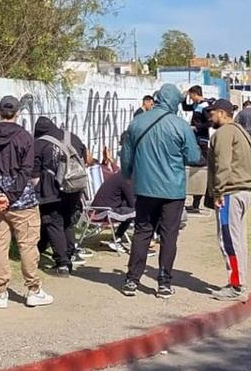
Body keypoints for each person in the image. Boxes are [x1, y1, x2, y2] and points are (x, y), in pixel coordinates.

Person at [120, 83, 202, 299]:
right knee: (169, 235)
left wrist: (128, 175)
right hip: (172, 191)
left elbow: (126, 156)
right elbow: (193, 157)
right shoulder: (180, 125)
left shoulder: (137, 122)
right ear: (174, 101)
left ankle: (132, 280)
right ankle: (164, 282)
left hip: (145, 188)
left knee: (142, 233)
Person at [0, 95, 53, 308]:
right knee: (27, 245)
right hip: (22, 202)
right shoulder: (25, 137)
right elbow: (26, 171)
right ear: (17, 113)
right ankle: (33, 290)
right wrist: (9, 196)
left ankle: (0, 293)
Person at [204, 100, 251, 302]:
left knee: (228, 241)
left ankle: (236, 286)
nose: (210, 117)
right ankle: (239, 280)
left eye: (213, 113)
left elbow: (223, 166)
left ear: (223, 113)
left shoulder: (224, 133)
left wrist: (217, 193)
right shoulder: (241, 131)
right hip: (243, 191)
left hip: (229, 194)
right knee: (238, 240)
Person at [34, 116, 86, 277]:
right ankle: (70, 254)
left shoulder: (39, 144)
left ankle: (62, 263)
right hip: (74, 186)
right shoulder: (72, 137)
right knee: (68, 221)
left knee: (53, 223)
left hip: (52, 190)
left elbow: (34, 175)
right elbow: (85, 155)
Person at [89, 151, 138, 254]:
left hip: (96, 210)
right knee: (136, 211)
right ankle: (127, 240)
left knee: (130, 208)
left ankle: (118, 237)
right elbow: (132, 203)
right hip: (103, 212)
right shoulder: (126, 179)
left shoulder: (121, 175)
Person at [182, 85, 211, 214]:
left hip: (202, 140)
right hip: (195, 139)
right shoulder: (196, 105)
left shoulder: (205, 106)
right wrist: (183, 98)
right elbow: (185, 107)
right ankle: (194, 202)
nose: (190, 98)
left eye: (190, 96)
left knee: (201, 169)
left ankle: (197, 202)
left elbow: (209, 123)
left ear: (195, 94)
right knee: (192, 168)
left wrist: (197, 127)